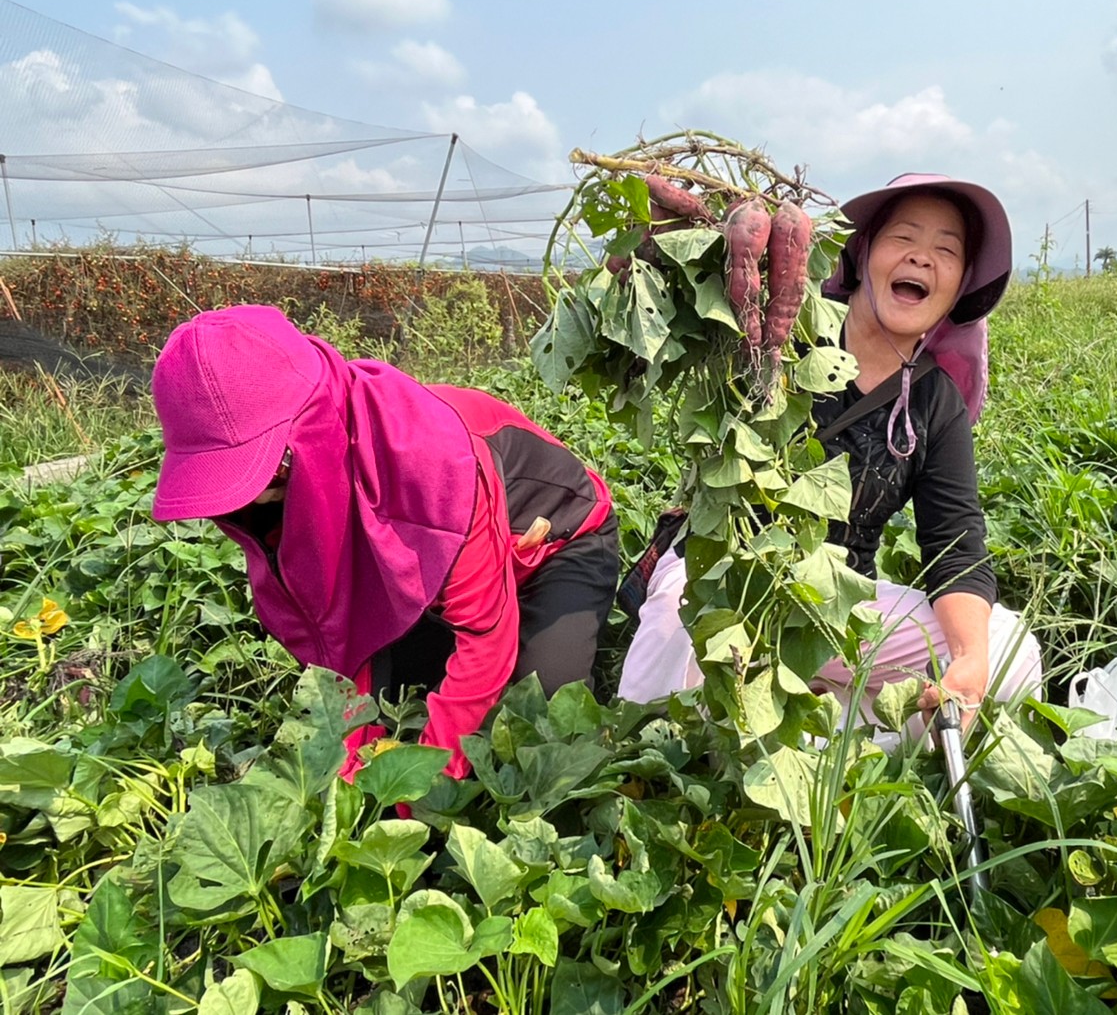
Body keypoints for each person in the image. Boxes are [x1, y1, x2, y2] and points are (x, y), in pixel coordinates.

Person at [618, 173, 1041, 733]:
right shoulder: (781, 336)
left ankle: (825, 713)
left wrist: (970, 658)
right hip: (724, 571)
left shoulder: (936, 402)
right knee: (682, 629)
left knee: (1009, 653)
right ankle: (659, 763)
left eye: (946, 250)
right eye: (903, 239)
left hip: (836, 607)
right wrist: (676, 244)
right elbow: (690, 314)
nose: (922, 258)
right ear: (862, 253)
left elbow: (956, 542)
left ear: (960, 283)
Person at [150, 305, 618, 779]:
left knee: (539, 715)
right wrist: (350, 772)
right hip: (446, 573)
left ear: (307, 427)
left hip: (559, 544)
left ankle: (625, 596)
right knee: (397, 704)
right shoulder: (316, 467)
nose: (252, 495)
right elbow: (349, 629)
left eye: (269, 466)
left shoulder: (432, 466)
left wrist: (413, 795)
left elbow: (484, 638)